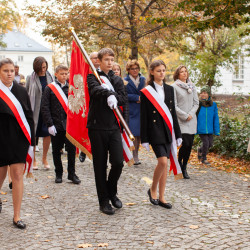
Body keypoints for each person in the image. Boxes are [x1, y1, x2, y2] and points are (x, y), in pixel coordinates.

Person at [87, 48, 127, 215]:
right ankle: (103, 201)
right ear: (99, 61)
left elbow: (123, 98)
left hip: (113, 126)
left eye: (112, 59)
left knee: (118, 162)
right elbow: (94, 91)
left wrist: (114, 97)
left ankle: (112, 191)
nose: (110, 62)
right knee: (100, 165)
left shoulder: (117, 79)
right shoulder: (92, 77)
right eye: (106, 60)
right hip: (97, 127)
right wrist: (108, 93)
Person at [140, 60, 182, 209]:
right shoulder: (146, 91)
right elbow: (144, 116)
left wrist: (178, 134)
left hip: (168, 130)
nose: (162, 73)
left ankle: (162, 196)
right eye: (158, 70)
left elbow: (173, 114)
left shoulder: (170, 89)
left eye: (163, 70)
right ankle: (152, 189)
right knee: (163, 162)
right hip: (154, 131)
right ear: (152, 72)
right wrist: (144, 138)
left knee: (165, 164)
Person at [0, 58, 35, 229]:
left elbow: (29, 116)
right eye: (5, 71)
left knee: (17, 176)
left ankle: (16, 216)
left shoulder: (21, 91)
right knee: (0, 175)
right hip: (0, 138)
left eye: (11, 71)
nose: (9, 74)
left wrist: (32, 141)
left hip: (19, 138)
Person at [41, 65, 81, 184]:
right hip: (56, 125)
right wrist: (49, 124)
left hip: (69, 125)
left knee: (71, 150)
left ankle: (72, 173)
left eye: (66, 73)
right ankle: (58, 173)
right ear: (56, 74)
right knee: (56, 150)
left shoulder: (71, 88)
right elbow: (45, 107)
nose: (64, 76)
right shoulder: (50, 88)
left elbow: (76, 105)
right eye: (62, 73)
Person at [26, 57, 53, 170]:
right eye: (41, 67)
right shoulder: (30, 78)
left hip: (47, 110)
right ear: (36, 67)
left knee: (47, 134)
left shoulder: (50, 77)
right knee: (34, 134)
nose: (43, 69)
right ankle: (34, 160)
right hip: (34, 110)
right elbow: (26, 94)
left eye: (45, 67)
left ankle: (44, 158)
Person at [172, 65, 199, 179]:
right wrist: (184, 115)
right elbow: (174, 105)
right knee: (185, 143)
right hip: (181, 120)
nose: (184, 73)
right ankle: (178, 163)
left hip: (191, 120)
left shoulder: (192, 86)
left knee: (189, 146)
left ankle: (184, 167)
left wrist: (191, 114)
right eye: (181, 72)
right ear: (177, 74)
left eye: (185, 71)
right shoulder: (174, 87)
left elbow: (196, 103)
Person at [79, 51, 100, 163]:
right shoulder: (86, 71)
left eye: (98, 58)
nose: (96, 60)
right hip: (87, 104)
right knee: (87, 129)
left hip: (100, 104)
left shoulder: (103, 72)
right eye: (94, 58)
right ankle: (84, 150)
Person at [124, 60, 146, 165]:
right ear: (128, 70)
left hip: (141, 110)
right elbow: (124, 95)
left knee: (139, 135)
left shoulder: (143, 79)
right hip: (131, 110)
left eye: (136, 68)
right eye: (132, 69)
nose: (135, 70)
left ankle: (136, 153)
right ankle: (133, 155)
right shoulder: (125, 80)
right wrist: (136, 97)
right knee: (133, 134)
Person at [197, 86, 220, 165]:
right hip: (201, 127)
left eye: (205, 93)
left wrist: (217, 130)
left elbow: (215, 117)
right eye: (202, 93)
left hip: (210, 128)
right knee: (206, 143)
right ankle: (204, 158)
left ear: (209, 94)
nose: (203, 94)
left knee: (210, 144)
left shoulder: (213, 105)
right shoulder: (198, 103)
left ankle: (200, 149)